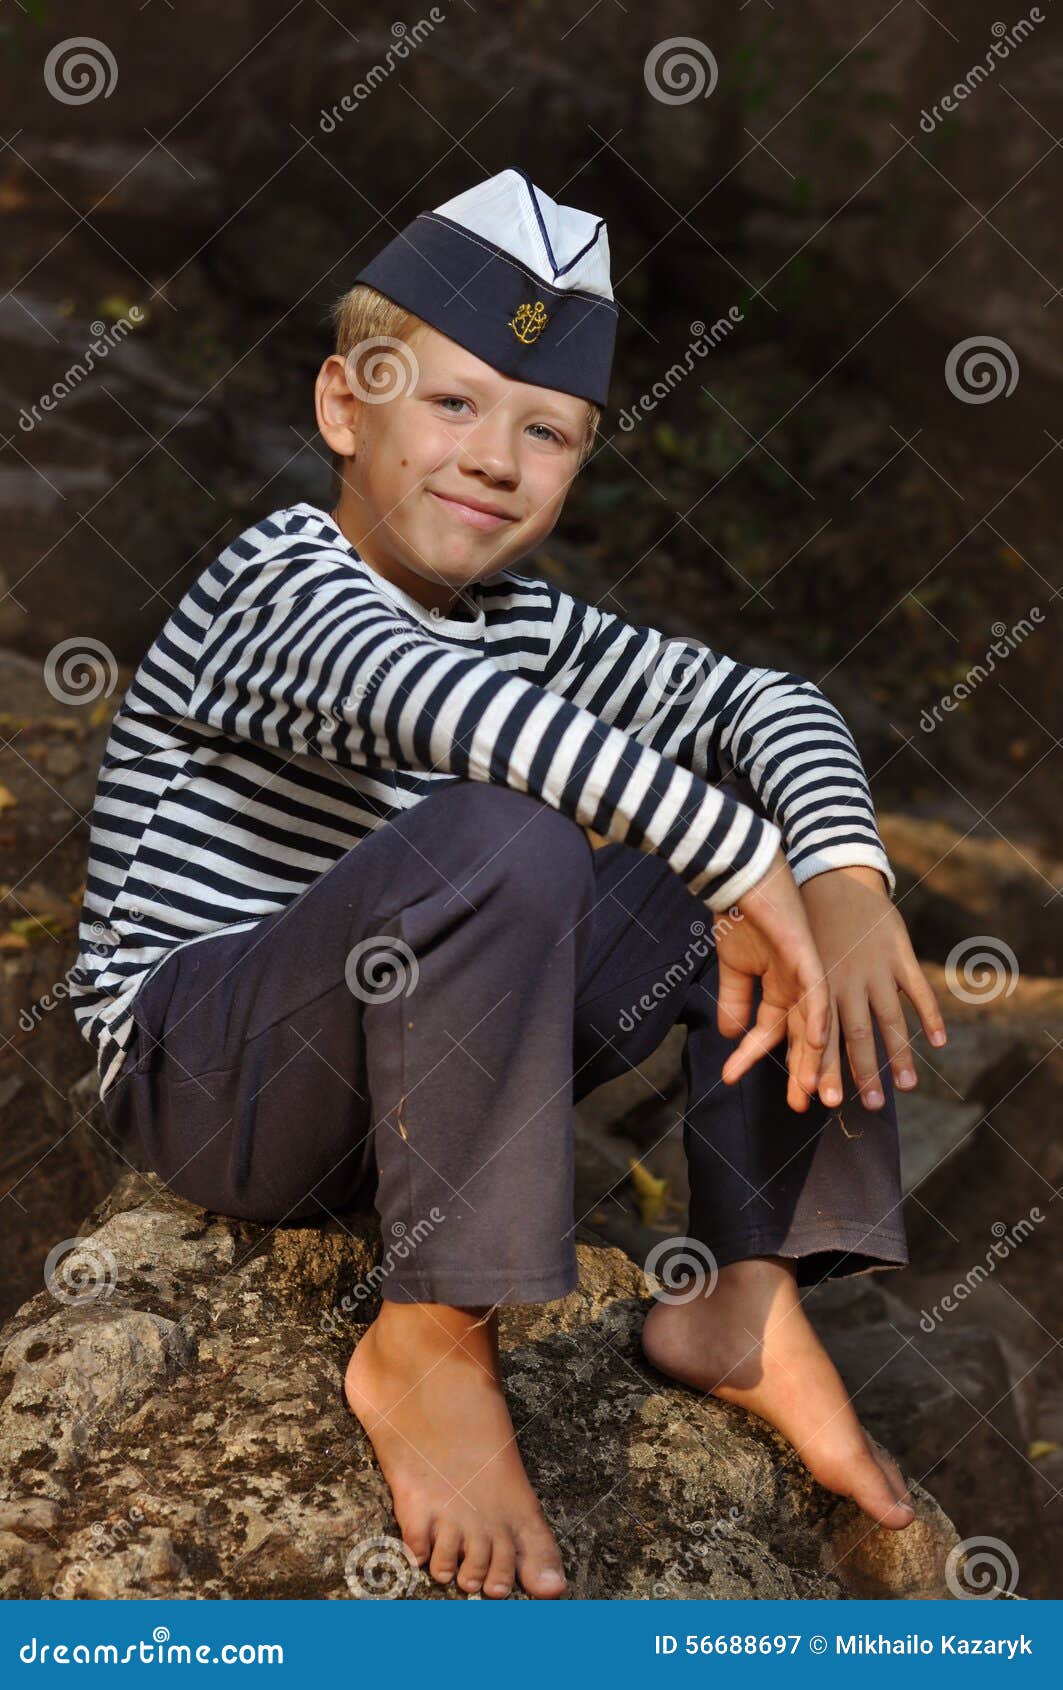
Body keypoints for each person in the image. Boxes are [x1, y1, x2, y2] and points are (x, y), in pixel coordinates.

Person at [70, 166, 948, 1601]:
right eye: (452, 403)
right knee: (528, 824)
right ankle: (426, 1332)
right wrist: (738, 859)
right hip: (214, 1076)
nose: (495, 457)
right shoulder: (272, 584)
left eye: (546, 431)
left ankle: (748, 1290)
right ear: (345, 407)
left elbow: (766, 701)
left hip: (419, 1084)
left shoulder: (530, 621)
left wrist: (841, 871)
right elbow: (444, 709)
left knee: (750, 821)